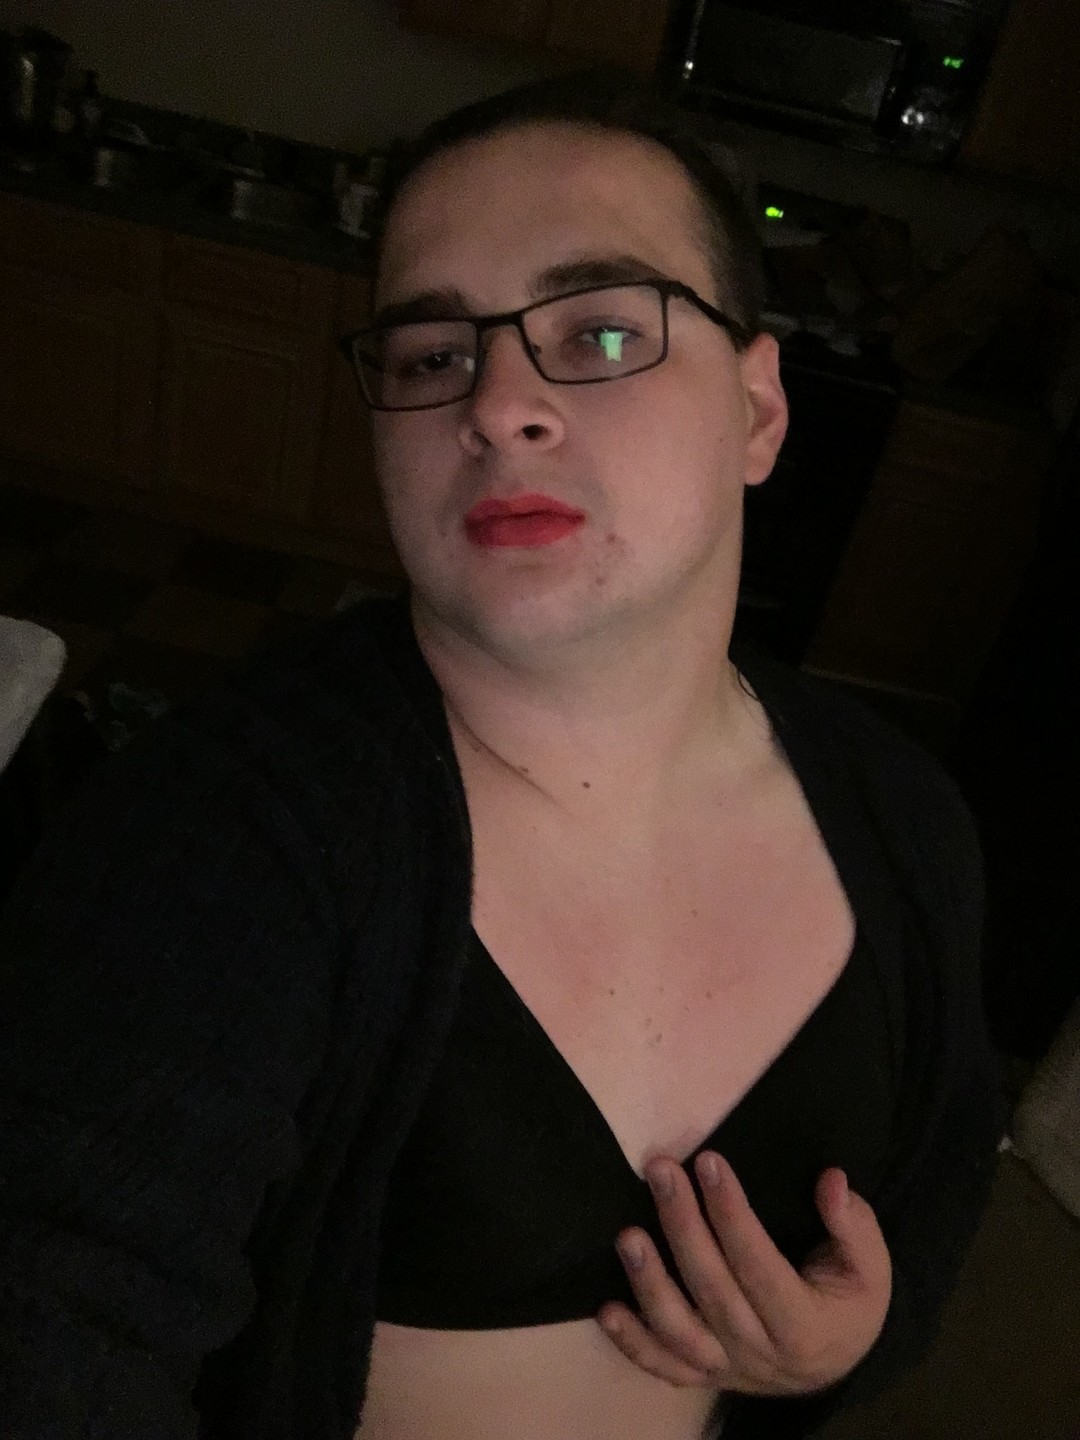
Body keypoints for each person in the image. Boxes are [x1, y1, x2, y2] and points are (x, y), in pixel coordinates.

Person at [0, 74, 1007, 1440]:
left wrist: (853, 1339)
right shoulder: (224, 831)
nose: (496, 405)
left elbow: (941, 1180)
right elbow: (51, 1297)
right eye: (432, 357)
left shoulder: (906, 818)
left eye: (602, 332)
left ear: (760, 411)